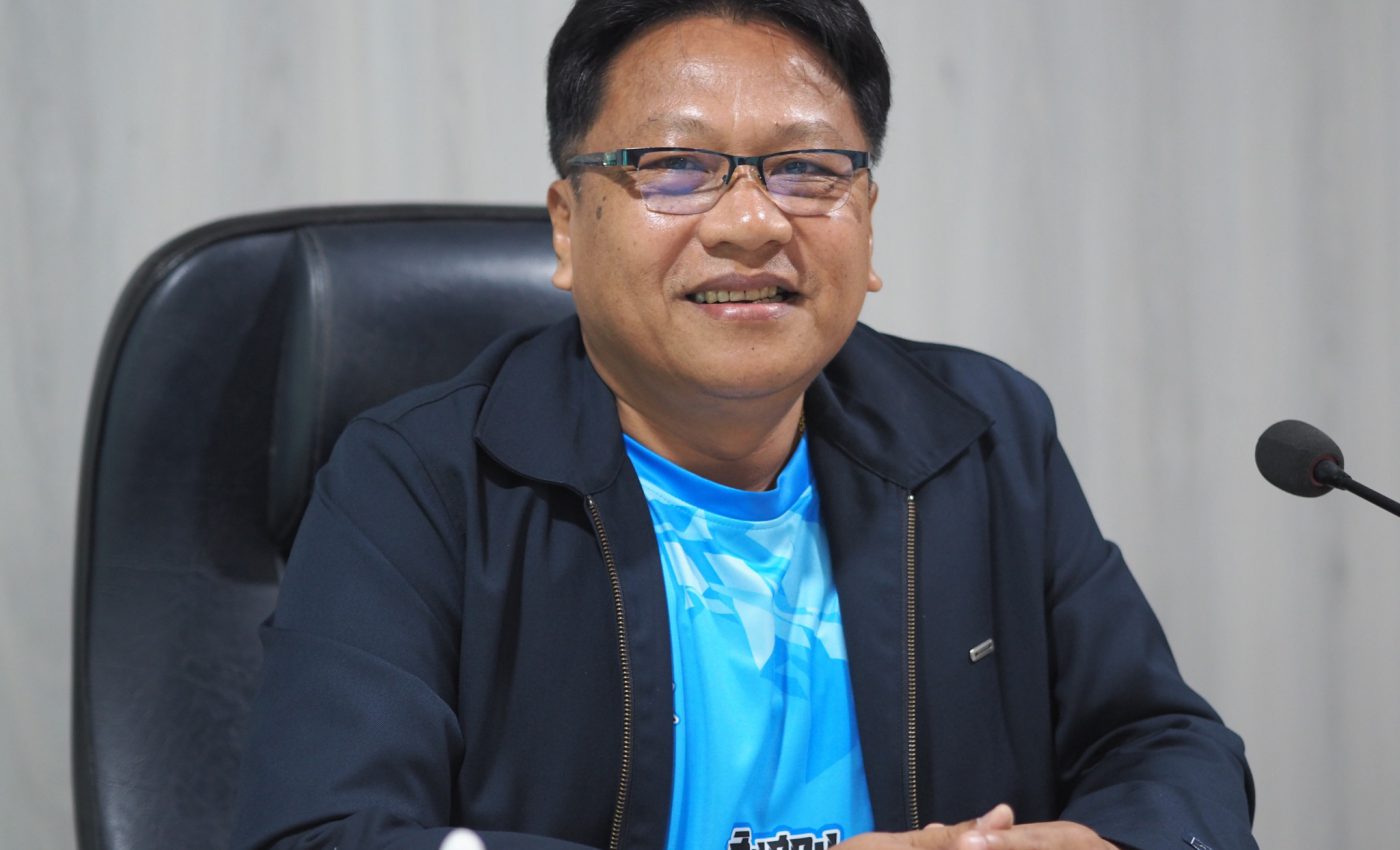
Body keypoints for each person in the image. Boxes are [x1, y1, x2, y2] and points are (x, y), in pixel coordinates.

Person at [232, 1, 1257, 849]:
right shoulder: (417, 481)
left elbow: (1168, 748)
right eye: (673, 166)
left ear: (867, 219)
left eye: (807, 168)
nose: (751, 222)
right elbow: (323, 833)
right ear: (566, 227)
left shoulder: (980, 437)